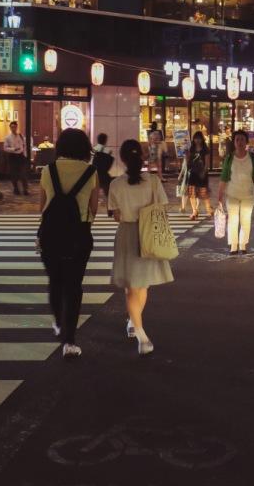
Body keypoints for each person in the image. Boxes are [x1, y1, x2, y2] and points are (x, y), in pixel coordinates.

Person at [109, 140, 174, 355]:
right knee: (142, 284)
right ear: (142, 156)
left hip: (127, 234)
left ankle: (137, 327)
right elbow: (163, 206)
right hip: (149, 233)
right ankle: (138, 330)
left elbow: (116, 216)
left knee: (132, 286)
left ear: (123, 159)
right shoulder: (153, 181)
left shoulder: (116, 184)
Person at [39, 129, 98, 358]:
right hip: (79, 235)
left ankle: (57, 322)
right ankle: (70, 342)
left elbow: (41, 207)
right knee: (73, 286)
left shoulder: (48, 171)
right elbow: (93, 210)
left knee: (55, 280)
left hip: (51, 234)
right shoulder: (91, 172)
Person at [217, 130, 254, 256]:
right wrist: (220, 195)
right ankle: (233, 245)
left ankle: (243, 244)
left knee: (245, 219)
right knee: (233, 219)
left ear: (246, 142)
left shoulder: (252, 158)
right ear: (234, 142)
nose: (240, 142)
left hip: (248, 194)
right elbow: (224, 177)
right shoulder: (229, 158)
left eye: (242, 139)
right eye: (237, 139)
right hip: (231, 193)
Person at [185, 131, 212, 219]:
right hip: (193, 173)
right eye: (196, 138)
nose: (197, 140)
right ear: (194, 139)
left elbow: (207, 163)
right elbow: (188, 161)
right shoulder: (191, 149)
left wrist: (204, 172)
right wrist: (186, 156)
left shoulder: (205, 149)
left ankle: (209, 210)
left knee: (204, 193)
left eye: (199, 138)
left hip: (202, 173)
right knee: (192, 193)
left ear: (202, 139)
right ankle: (194, 211)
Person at [3, 121, 29, 196]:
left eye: (15, 127)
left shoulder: (20, 136)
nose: (13, 128)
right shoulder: (7, 137)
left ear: (17, 127)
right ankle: (16, 189)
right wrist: (13, 149)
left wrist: (25, 155)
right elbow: (5, 148)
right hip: (13, 157)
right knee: (14, 174)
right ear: (10, 128)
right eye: (12, 127)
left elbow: (24, 146)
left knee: (23, 173)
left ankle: (25, 189)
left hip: (21, 156)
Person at [91, 133, 115, 203]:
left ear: (97, 140)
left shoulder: (93, 150)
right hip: (104, 176)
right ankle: (109, 209)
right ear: (105, 140)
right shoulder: (109, 151)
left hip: (94, 175)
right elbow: (109, 164)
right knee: (108, 194)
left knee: (93, 193)